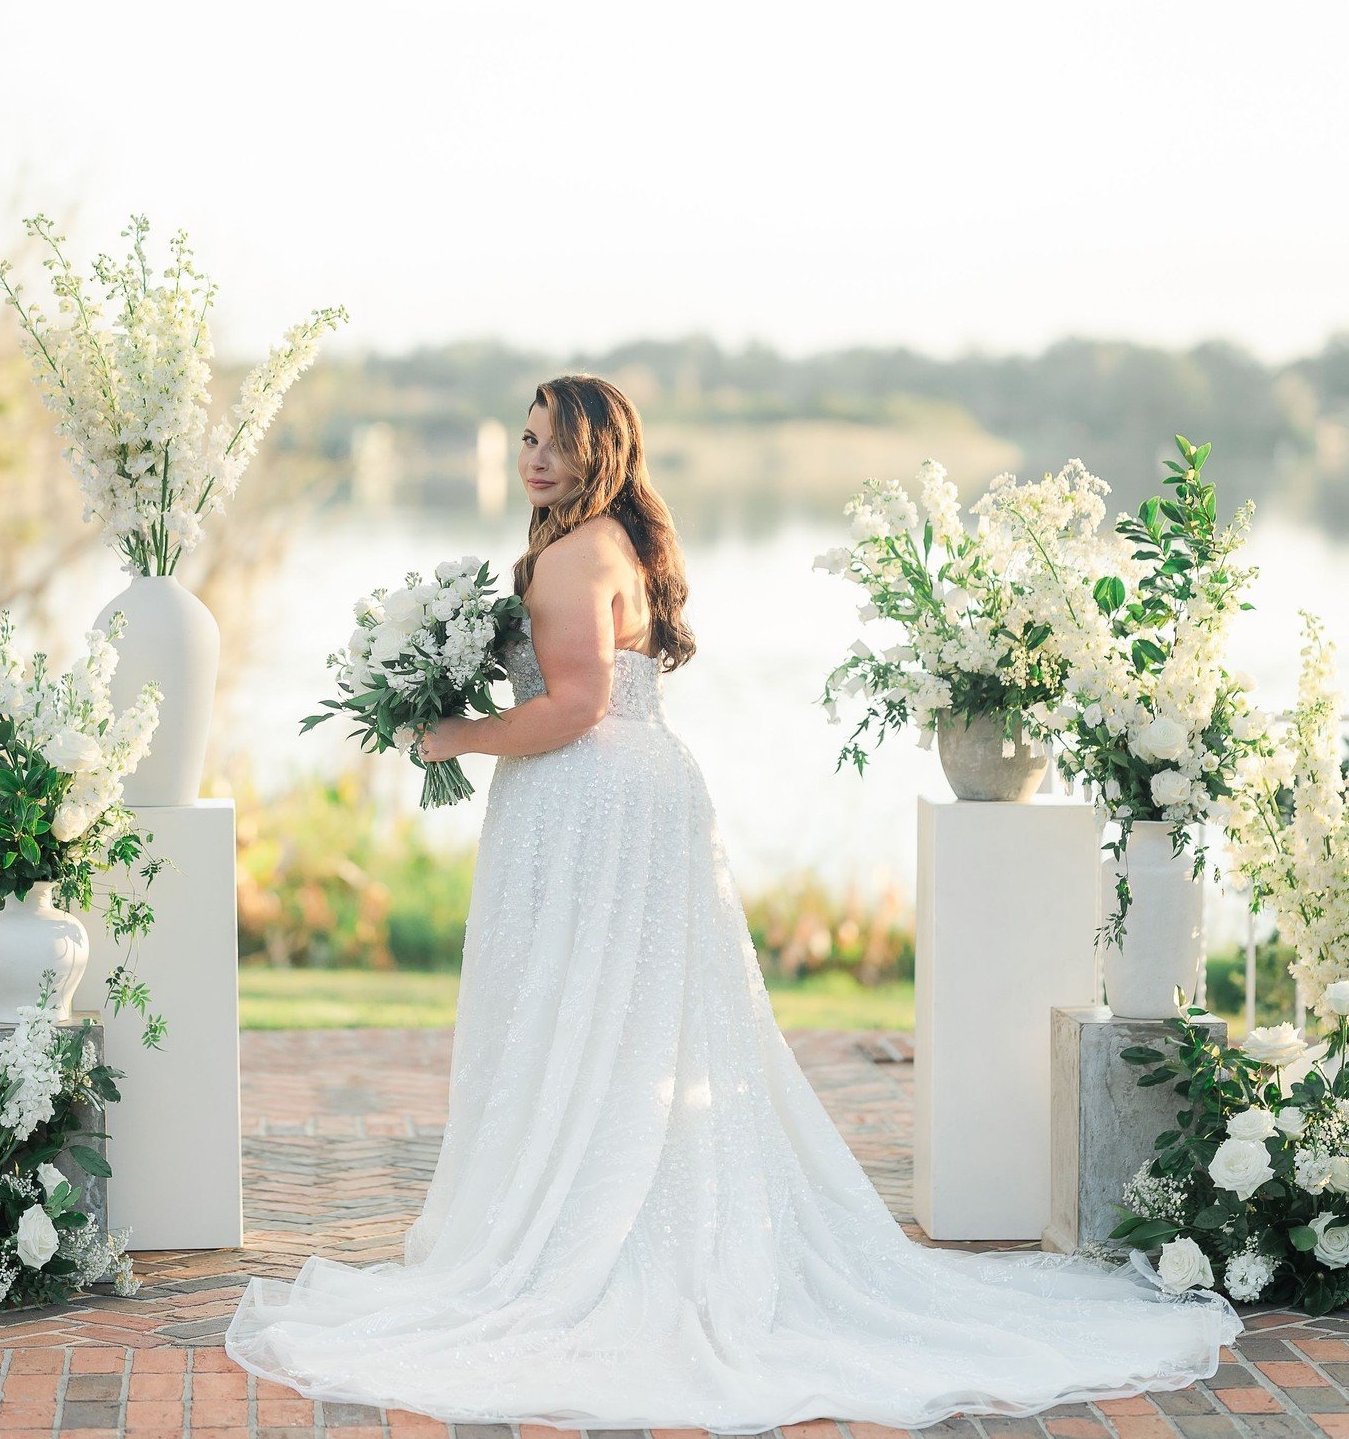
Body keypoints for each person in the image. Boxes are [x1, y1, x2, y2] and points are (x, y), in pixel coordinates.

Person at [224, 372, 1242, 1432]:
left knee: (587, 1008)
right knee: (629, 1018)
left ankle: (586, 1227)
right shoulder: (614, 538)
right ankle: (613, 1199)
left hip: (594, 800)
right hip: (641, 791)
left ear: (601, 450)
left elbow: (573, 706)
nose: (534, 457)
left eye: (556, 441)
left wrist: (456, 733)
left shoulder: (574, 555)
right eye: (527, 438)